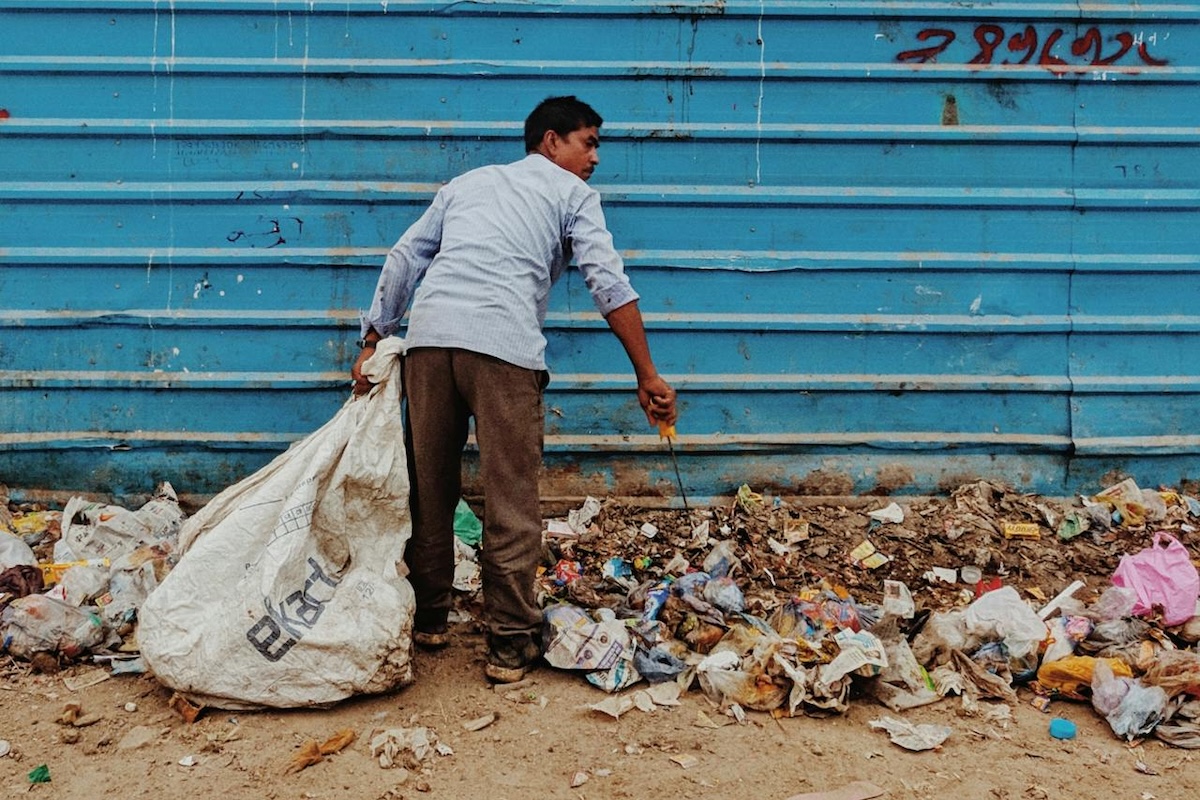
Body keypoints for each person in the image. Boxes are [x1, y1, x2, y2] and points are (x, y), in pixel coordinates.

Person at [352, 95, 677, 683]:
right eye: (589, 143)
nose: (595, 158)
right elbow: (608, 282)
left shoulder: (467, 184)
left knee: (430, 490)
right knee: (511, 499)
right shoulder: (573, 194)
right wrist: (646, 373)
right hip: (503, 349)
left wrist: (374, 338)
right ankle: (508, 643)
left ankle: (429, 620)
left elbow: (406, 256)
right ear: (551, 141)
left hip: (429, 344)